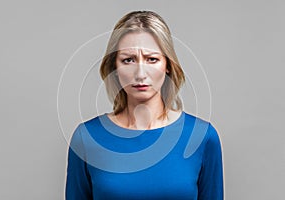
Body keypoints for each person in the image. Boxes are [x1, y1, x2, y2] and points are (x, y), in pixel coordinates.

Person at [65, 10, 224, 200]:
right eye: (128, 60)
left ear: (167, 66)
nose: (140, 73)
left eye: (152, 59)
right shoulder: (87, 137)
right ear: (114, 67)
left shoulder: (202, 136)